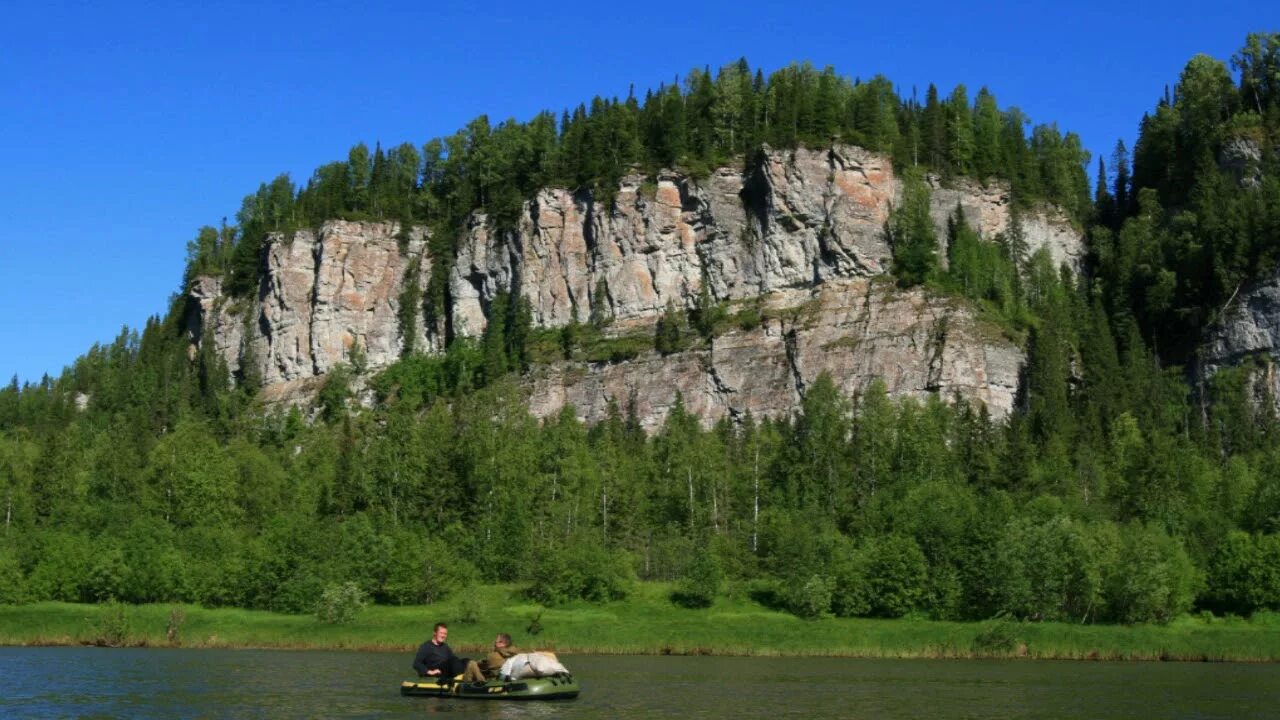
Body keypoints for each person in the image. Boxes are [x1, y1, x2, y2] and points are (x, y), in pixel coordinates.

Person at [412, 622, 485, 683]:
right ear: (434, 633)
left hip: (449, 669)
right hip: (438, 671)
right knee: (452, 661)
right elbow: (417, 663)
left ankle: (480, 679)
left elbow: (455, 659)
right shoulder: (426, 646)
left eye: (445, 634)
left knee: (467, 660)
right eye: (441, 633)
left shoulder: (445, 647)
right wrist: (429, 672)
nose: (443, 636)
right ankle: (468, 677)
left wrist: (466, 663)